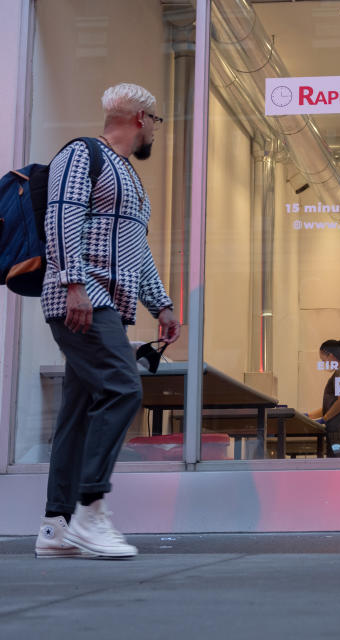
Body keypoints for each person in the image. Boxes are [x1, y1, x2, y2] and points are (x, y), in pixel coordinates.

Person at [34, 83, 179, 559]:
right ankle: (90, 510)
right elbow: (60, 218)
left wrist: (161, 304)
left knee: (76, 414)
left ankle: (55, 526)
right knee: (124, 389)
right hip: (82, 300)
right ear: (140, 117)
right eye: (155, 122)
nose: (155, 131)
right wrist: (74, 283)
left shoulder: (131, 180)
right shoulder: (82, 155)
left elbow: (136, 249)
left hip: (106, 306)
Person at [308, 339, 340, 455]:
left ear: (331, 356)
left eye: (324, 360)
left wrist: (325, 418)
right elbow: (333, 405)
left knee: (337, 468)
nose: (324, 364)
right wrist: (309, 416)